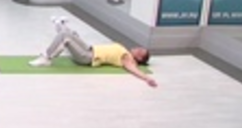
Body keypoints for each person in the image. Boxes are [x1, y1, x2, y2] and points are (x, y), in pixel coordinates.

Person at [28, 17, 157, 88]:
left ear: (139, 58)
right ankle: (60, 25)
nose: (138, 48)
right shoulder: (126, 52)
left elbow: (134, 70)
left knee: (66, 37)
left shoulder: (127, 58)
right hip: (89, 49)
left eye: (140, 51)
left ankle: (47, 58)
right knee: (72, 34)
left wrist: (147, 79)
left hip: (88, 57)